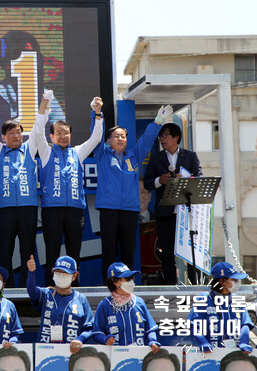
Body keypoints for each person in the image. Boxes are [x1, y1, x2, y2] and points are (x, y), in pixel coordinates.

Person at [93, 105, 173, 279]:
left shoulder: (134, 155)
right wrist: (97, 114)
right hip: (109, 209)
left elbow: (147, 139)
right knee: (108, 250)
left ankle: (127, 285)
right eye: (116, 136)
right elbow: (96, 135)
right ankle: (108, 286)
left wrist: (157, 122)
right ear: (108, 141)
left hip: (129, 210)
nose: (120, 139)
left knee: (128, 251)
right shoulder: (102, 154)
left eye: (123, 136)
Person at [35, 95, 103, 282]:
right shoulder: (46, 151)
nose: (63, 136)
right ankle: (51, 291)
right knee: (52, 253)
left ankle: (75, 291)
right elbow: (37, 132)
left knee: (74, 253)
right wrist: (43, 107)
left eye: (66, 133)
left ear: (71, 135)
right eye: (59, 133)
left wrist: (97, 113)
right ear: (52, 136)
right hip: (52, 210)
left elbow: (96, 137)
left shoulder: (77, 152)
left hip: (75, 211)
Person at [0, 93, 46, 287]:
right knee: (4, 250)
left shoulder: (30, 149)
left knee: (27, 251)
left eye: (18, 132)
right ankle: (4, 288)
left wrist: (44, 104)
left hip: (27, 207)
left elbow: (38, 129)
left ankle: (27, 288)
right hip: (4, 208)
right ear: (4, 137)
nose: (16, 136)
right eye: (11, 133)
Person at [143, 122, 203, 285]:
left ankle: (194, 287)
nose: (162, 139)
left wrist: (187, 179)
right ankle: (171, 287)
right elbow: (147, 182)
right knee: (167, 253)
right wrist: (159, 180)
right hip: (165, 213)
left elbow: (199, 178)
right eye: (160, 136)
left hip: (187, 212)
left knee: (191, 253)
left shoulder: (190, 155)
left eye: (165, 135)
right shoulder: (156, 158)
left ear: (176, 137)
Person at [0, 30, 64, 124]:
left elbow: (61, 125)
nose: (35, 62)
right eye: (25, 56)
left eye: (35, 55)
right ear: (8, 65)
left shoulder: (45, 94)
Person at [26, 255, 93, 352]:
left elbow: (89, 327)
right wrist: (31, 272)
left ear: (74, 276)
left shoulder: (80, 299)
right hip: (45, 351)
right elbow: (32, 292)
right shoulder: (46, 294)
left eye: (65, 273)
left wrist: (80, 339)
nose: (61, 275)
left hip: (71, 352)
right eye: (58, 272)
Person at [187, 262, 254, 353]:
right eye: (234, 279)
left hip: (236, 352)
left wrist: (244, 342)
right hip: (211, 353)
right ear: (222, 282)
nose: (238, 282)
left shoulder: (237, 299)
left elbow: (245, 324)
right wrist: (203, 342)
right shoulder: (204, 299)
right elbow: (193, 324)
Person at [92, 262, 160, 351]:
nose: (131, 282)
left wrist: (153, 341)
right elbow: (97, 332)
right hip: (115, 359)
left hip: (139, 356)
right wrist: (105, 339)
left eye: (132, 278)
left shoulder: (139, 302)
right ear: (115, 281)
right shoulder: (104, 305)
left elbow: (150, 329)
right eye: (128, 279)